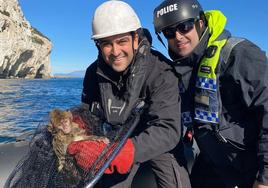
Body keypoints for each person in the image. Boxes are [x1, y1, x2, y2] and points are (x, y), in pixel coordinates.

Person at [67, 1, 191, 188]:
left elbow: (168, 129)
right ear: (98, 46)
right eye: (107, 44)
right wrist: (76, 125)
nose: (115, 51)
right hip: (116, 138)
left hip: (157, 140)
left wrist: (128, 151)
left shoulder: (161, 70)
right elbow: (88, 110)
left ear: (135, 39)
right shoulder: (93, 73)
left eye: (122, 41)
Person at [153, 0, 268, 188]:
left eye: (184, 26)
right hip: (213, 166)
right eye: (169, 32)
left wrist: (264, 179)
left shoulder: (238, 54)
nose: (178, 36)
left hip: (252, 169)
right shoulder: (182, 71)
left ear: (200, 23)